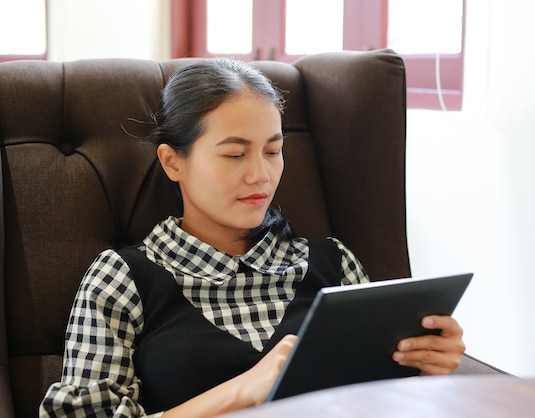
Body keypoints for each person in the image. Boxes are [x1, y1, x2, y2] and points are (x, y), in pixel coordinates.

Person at [40, 58, 466, 418]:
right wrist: (241, 391)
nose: (260, 175)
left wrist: (423, 366)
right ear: (172, 162)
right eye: (234, 154)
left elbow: (375, 402)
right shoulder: (123, 277)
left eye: (273, 150)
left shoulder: (333, 263)